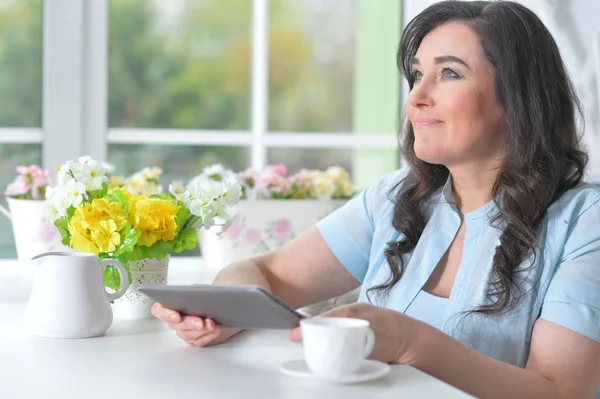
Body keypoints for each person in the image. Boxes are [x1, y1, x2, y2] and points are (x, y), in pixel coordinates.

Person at [152, 1, 600, 397]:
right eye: (417, 75)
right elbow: (264, 272)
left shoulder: (586, 222)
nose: (416, 99)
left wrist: (409, 342)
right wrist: (221, 312)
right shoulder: (398, 198)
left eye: (449, 73)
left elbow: (561, 391)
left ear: (519, 97)